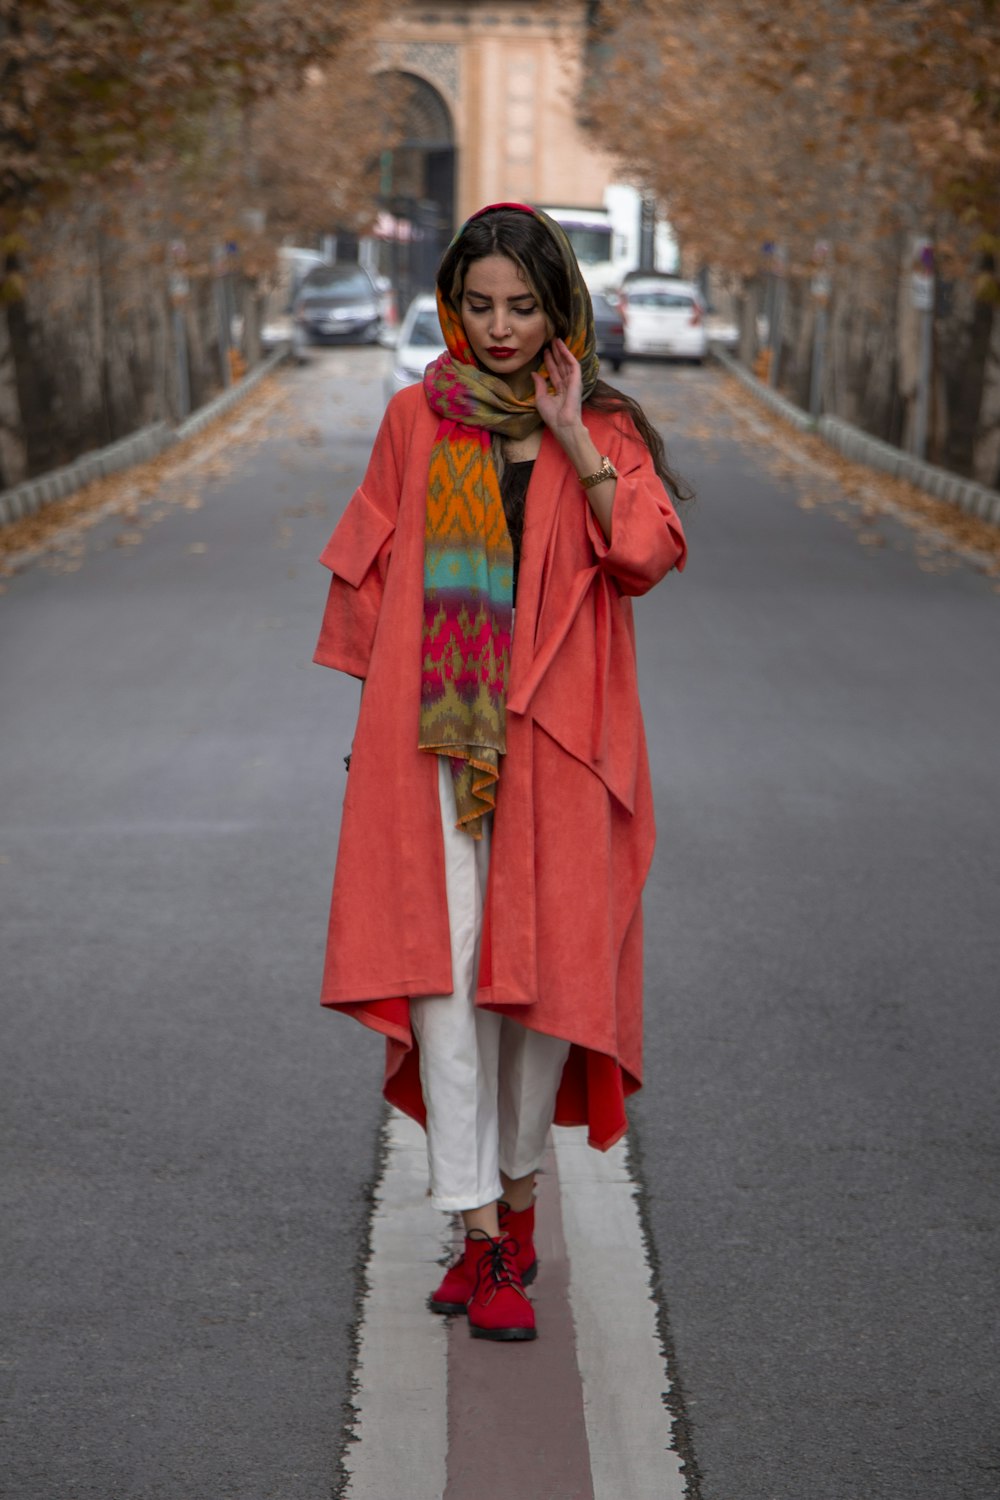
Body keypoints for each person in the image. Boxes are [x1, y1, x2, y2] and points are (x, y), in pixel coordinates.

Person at [313, 203, 689, 1343]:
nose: (499, 327)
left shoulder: (606, 427)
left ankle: (516, 1223)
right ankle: (479, 1235)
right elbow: (370, 590)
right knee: (444, 982)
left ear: (558, 305)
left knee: (533, 996)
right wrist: (373, 741)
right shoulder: (411, 421)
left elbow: (645, 555)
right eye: (478, 306)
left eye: (521, 306)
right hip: (436, 741)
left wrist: (574, 437)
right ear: (451, 305)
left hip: (560, 750)